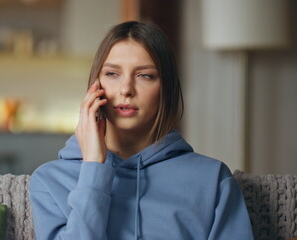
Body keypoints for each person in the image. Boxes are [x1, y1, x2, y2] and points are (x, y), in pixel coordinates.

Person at [29, 21, 254, 240]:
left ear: (166, 89)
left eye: (144, 75)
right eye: (112, 74)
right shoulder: (49, 180)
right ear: (94, 87)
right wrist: (94, 169)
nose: (126, 89)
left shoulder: (212, 180)